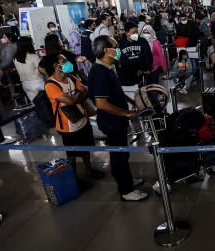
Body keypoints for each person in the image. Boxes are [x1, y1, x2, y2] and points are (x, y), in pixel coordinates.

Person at [88, 35, 148, 201]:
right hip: (111, 122)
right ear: (106, 50)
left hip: (117, 120)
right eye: (115, 46)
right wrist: (126, 113)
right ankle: (126, 190)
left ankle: (127, 180)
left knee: (122, 153)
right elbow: (101, 103)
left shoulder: (108, 67)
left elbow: (117, 92)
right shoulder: (100, 72)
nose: (119, 49)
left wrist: (132, 102)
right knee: (118, 155)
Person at [43, 52, 104, 191]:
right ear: (55, 65)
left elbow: (86, 92)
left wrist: (76, 97)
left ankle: (89, 170)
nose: (67, 62)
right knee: (72, 154)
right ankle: (73, 179)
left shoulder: (71, 77)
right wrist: (77, 95)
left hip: (82, 118)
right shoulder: (51, 85)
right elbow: (71, 100)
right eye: (63, 60)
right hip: (67, 125)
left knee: (86, 147)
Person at [117, 22, 153, 86]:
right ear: (126, 33)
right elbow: (116, 58)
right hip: (126, 74)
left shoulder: (142, 41)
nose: (136, 34)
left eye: (137, 32)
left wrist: (148, 68)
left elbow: (148, 55)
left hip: (141, 72)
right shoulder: (120, 43)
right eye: (133, 32)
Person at [14, 37, 47, 101]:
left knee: (36, 105)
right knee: (44, 103)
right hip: (37, 84)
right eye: (32, 43)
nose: (33, 45)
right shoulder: (33, 56)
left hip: (25, 84)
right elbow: (41, 69)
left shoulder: (16, 58)